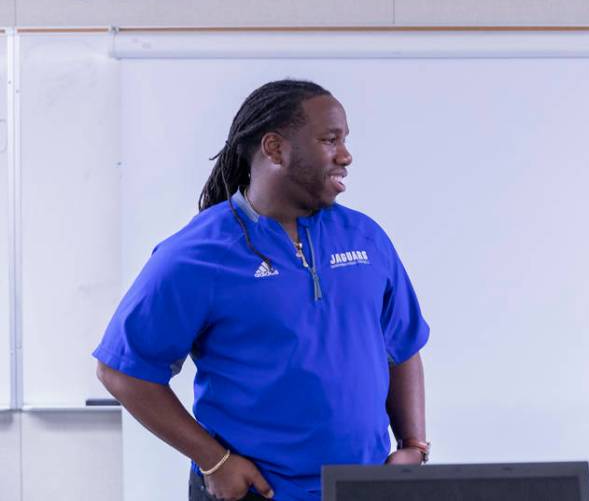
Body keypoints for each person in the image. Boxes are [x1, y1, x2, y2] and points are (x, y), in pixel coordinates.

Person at [93, 80, 430, 501]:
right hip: (256, 493)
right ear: (274, 148)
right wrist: (213, 460)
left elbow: (403, 345)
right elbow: (122, 369)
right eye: (330, 140)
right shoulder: (198, 254)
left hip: (359, 490)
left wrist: (413, 446)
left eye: (344, 140)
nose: (345, 155)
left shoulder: (366, 237)